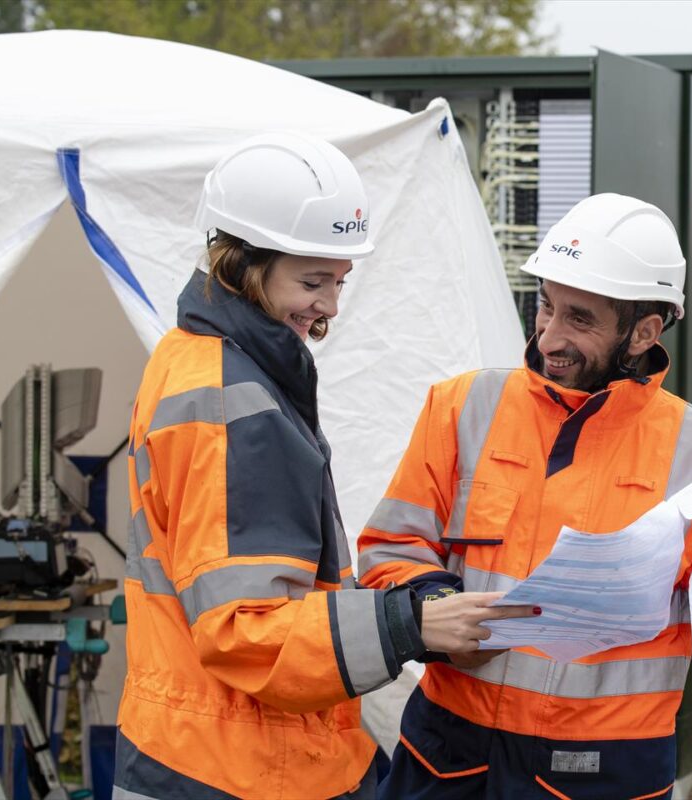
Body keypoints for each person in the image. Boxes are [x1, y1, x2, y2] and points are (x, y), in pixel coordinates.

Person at [357, 193, 692, 799]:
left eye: (579, 319)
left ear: (644, 332)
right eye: (545, 307)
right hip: (450, 753)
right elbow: (386, 551)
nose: (550, 336)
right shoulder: (460, 408)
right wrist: (437, 611)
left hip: (603, 772)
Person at [113, 133, 533, 800]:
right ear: (241, 264)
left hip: (210, 745)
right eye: (312, 282)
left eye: (339, 281)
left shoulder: (192, 355)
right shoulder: (234, 401)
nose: (331, 307)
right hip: (237, 768)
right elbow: (244, 628)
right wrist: (411, 625)